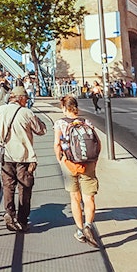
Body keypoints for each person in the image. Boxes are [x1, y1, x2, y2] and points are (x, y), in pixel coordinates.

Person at [0, 84, 46, 232]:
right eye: (26, 99)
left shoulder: (0, 110)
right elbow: (41, 130)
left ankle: (9, 213)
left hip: (5, 156)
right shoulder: (26, 113)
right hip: (24, 157)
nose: (26, 101)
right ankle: (22, 219)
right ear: (21, 99)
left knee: (8, 186)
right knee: (25, 188)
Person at [54, 94, 100, 245]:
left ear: (64, 108)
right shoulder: (86, 121)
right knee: (89, 197)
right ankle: (88, 225)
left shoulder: (60, 123)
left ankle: (80, 231)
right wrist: (95, 160)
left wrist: (60, 159)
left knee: (75, 197)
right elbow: (97, 142)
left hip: (70, 164)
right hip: (88, 163)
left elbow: (57, 145)